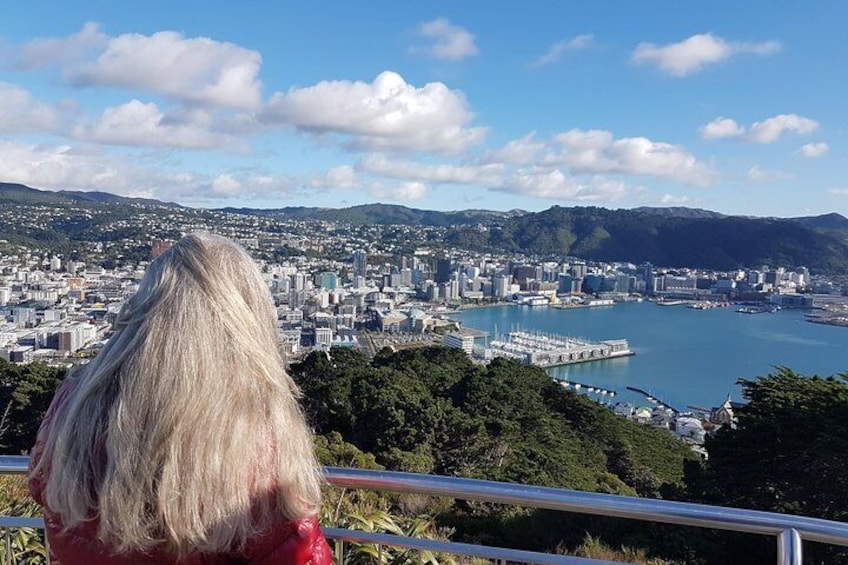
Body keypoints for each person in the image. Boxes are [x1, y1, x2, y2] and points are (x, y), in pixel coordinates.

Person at [28, 233, 332, 564]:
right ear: (249, 316)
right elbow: (297, 550)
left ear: (144, 304)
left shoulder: (75, 402)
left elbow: (40, 487)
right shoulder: (259, 432)